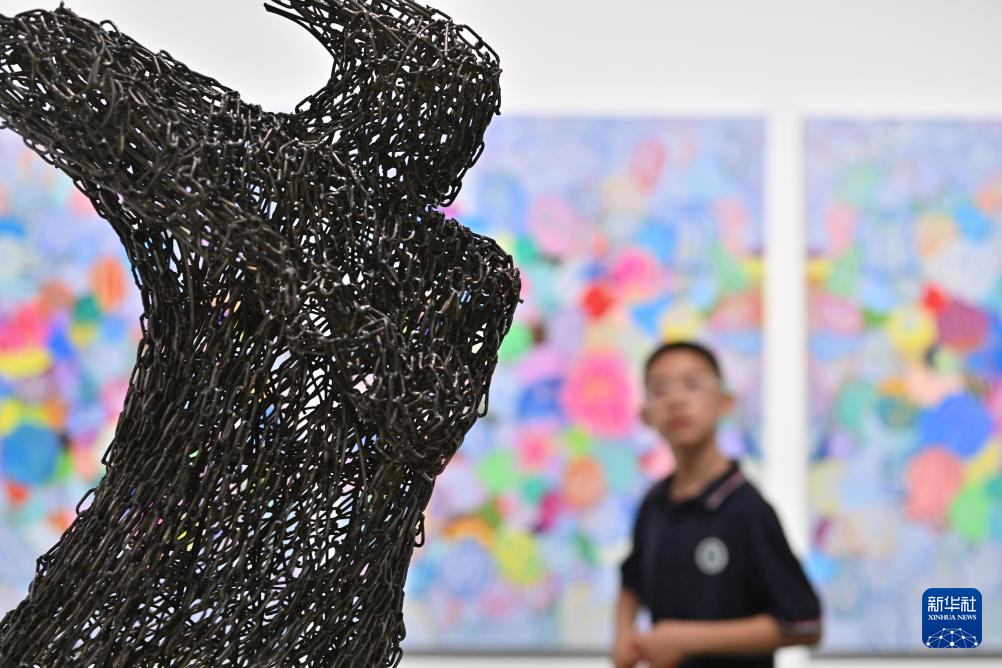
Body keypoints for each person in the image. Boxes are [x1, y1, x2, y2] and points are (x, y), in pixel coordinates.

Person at [613, 341, 821, 668]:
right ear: (645, 415)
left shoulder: (747, 510)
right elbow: (631, 580)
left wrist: (685, 640)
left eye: (692, 384)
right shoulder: (654, 503)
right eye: (660, 389)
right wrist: (624, 633)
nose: (676, 400)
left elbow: (804, 624)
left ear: (724, 403)